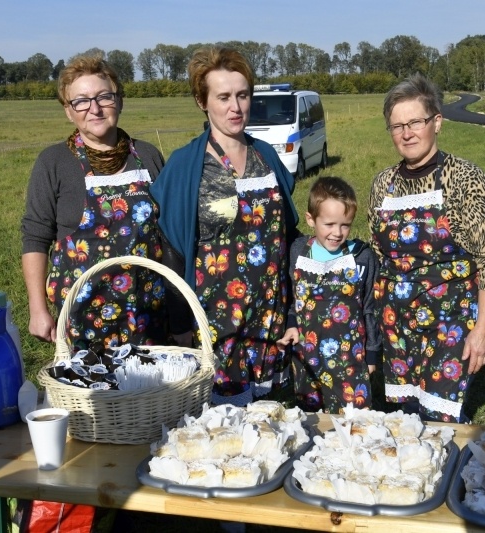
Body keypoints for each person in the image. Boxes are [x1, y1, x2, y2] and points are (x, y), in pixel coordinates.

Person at [150, 47, 299, 407]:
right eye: (223, 97)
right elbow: (172, 251)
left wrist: (294, 312)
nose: (236, 107)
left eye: (243, 95)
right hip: (215, 322)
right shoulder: (186, 165)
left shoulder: (267, 156)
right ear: (202, 101)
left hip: (269, 319)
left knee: (269, 420)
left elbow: (289, 235)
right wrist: (180, 325)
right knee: (220, 424)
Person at [368, 74, 485, 423]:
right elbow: (379, 252)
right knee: (406, 419)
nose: (407, 133)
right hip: (397, 325)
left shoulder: (465, 178)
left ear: (437, 122)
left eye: (415, 122)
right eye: (397, 126)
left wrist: (482, 331)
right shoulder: (383, 184)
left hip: (450, 325)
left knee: (440, 421)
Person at [21, 55, 167, 350]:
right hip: (81, 321)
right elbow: (35, 236)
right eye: (82, 101)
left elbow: (169, 234)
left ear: (119, 101)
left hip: (149, 317)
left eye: (104, 97)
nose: (95, 109)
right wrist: (37, 309)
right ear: (68, 111)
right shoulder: (54, 162)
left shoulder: (147, 155)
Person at [277, 176, 381, 414]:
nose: (337, 232)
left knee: (355, 420)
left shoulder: (362, 257)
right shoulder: (298, 251)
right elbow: (295, 300)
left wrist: (372, 354)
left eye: (345, 225)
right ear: (310, 219)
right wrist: (291, 326)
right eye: (329, 224)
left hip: (350, 358)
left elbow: (370, 308)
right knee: (312, 421)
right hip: (308, 356)